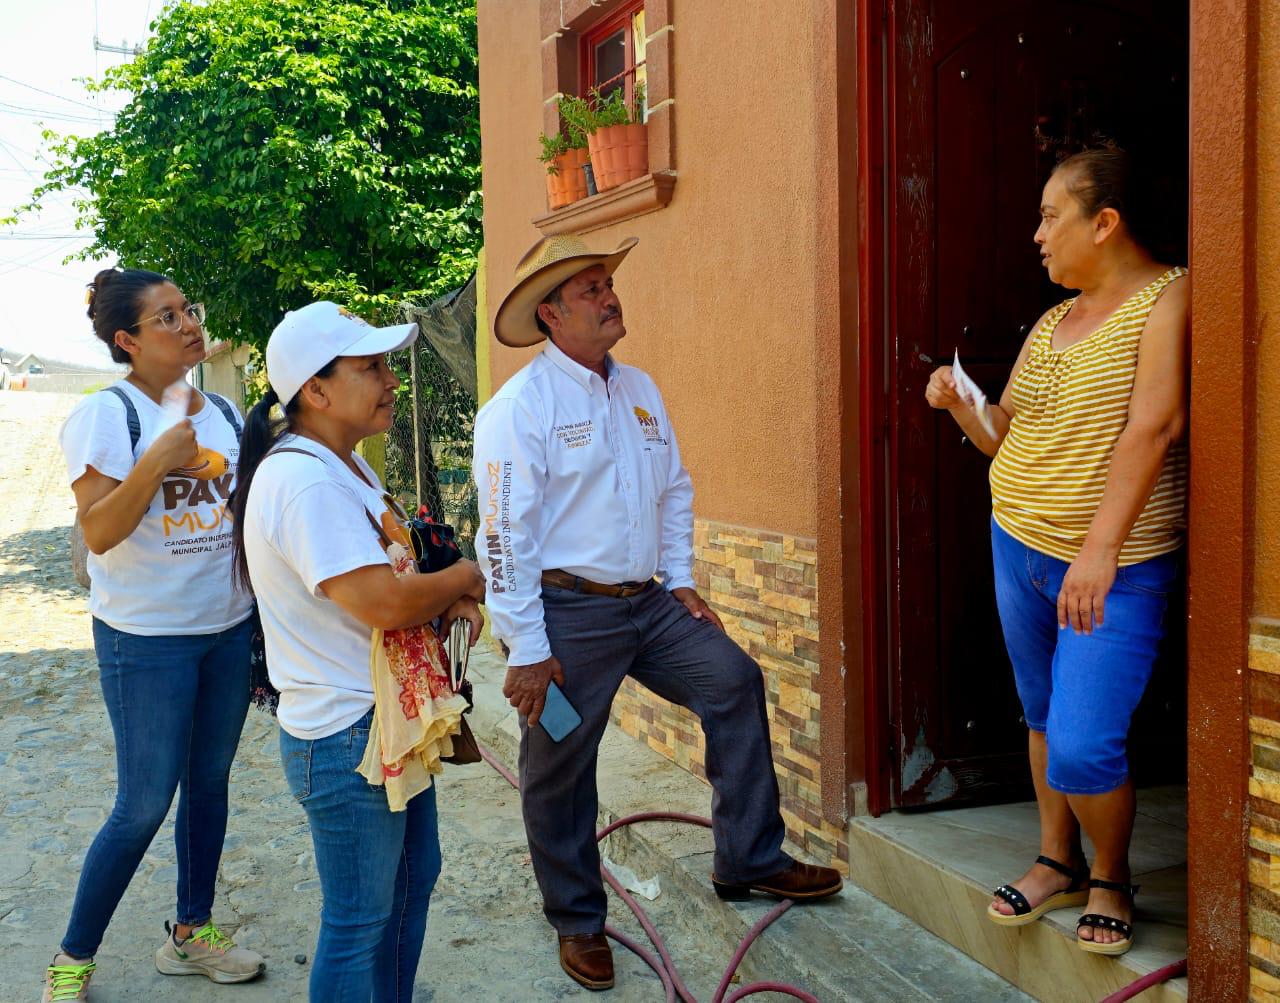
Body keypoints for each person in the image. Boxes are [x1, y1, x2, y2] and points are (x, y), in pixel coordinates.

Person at [473, 235, 843, 992]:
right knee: (560, 759)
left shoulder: (638, 386)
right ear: (550, 314)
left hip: (649, 603)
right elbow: (504, 537)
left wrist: (679, 579)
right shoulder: (520, 408)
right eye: (590, 290)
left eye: (608, 282)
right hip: (567, 616)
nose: (610, 298)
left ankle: (749, 857)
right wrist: (526, 646)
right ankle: (577, 918)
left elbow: (674, 488)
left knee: (733, 679)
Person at [925, 147, 1188, 956]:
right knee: (1040, 714)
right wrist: (959, 404)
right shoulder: (1051, 321)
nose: (1037, 235)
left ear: (1104, 223)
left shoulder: (1169, 299)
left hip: (1110, 565)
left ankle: (1111, 872)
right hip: (1020, 544)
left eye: (1050, 216)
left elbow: (1156, 427)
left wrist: (1101, 551)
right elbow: (1005, 433)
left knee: (1083, 739)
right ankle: (1058, 858)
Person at [230, 301, 485, 1001]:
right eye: (369, 366)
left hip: (386, 725)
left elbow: (397, 579)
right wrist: (463, 579)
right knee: (359, 918)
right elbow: (384, 603)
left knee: (408, 887)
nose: (389, 379)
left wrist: (437, 591)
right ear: (316, 389)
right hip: (347, 738)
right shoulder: (307, 481)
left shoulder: (347, 468)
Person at [46, 268, 264, 1002]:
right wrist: (156, 461)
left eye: (187, 310)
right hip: (144, 640)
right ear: (128, 341)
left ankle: (192, 933)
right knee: (142, 802)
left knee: (208, 784)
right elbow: (100, 530)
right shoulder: (108, 415)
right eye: (166, 318)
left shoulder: (229, 416)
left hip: (225, 631)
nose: (188, 324)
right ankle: (74, 957)